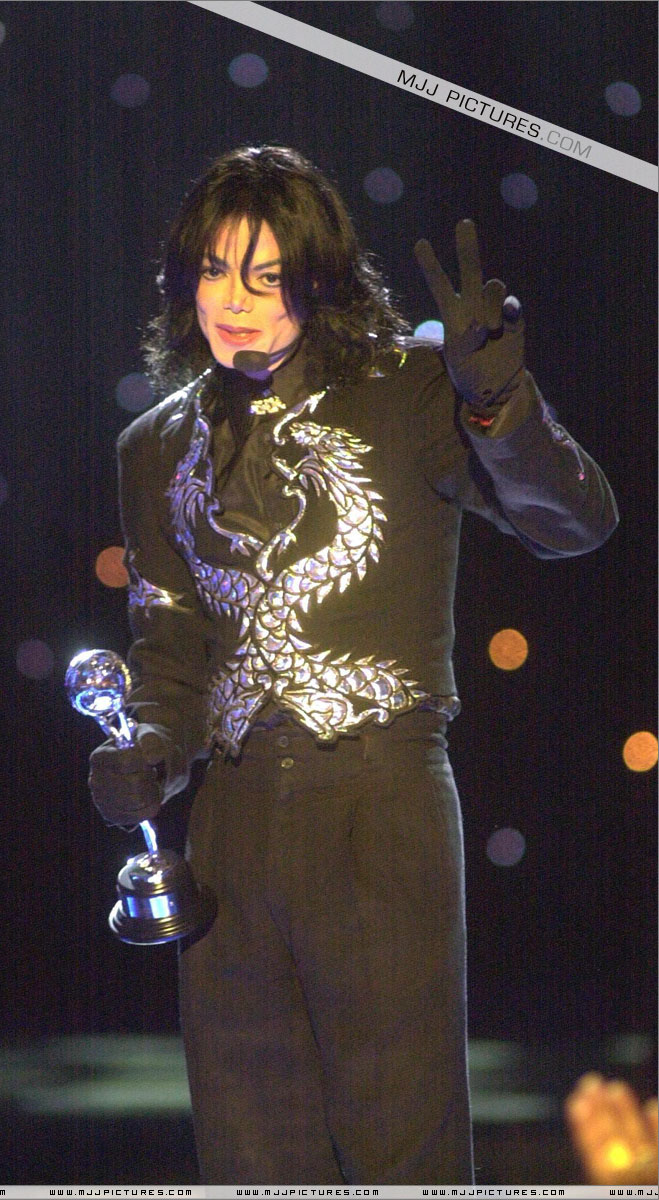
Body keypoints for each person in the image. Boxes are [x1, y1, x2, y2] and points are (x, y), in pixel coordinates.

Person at [88, 145, 618, 1184]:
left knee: (401, 1144)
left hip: (378, 807)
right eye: (213, 271)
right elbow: (173, 651)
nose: (233, 301)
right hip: (230, 832)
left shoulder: (408, 389)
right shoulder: (153, 446)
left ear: (317, 279)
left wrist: (498, 407)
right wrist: (146, 748)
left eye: (265, 275)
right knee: (251, 1152)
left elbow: (575, 523)